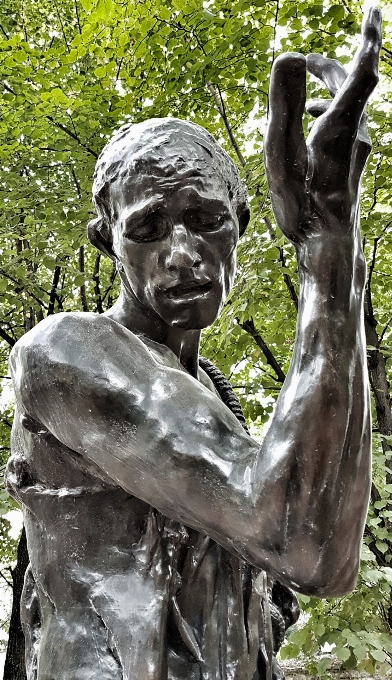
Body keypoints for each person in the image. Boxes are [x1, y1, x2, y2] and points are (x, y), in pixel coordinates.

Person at [6, 8, 381, 680]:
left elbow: (328, 563)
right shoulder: (63, 354)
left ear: (240, 224)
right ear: (106, 242)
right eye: (148, 229)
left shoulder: (215, 400)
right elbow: (295, 540)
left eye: (206, 221)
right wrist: (324, 254)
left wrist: (335, 247)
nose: (181, 256)